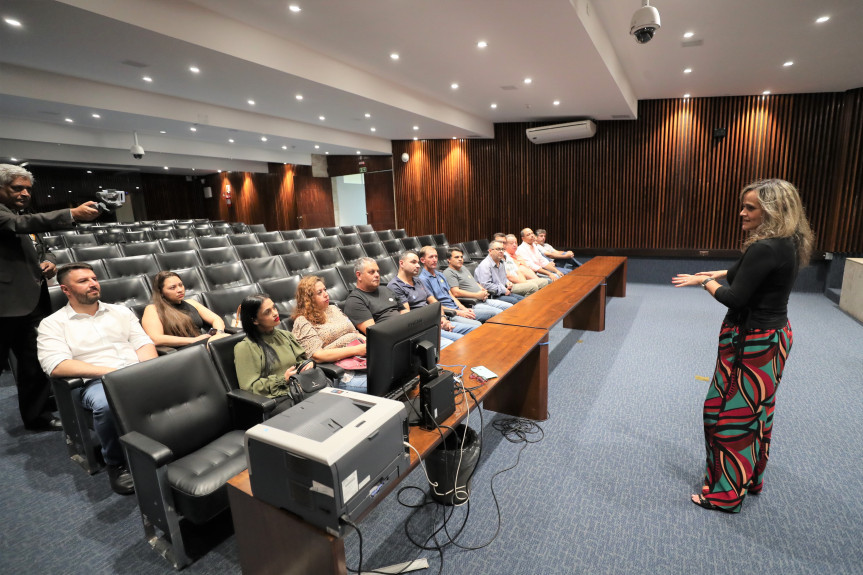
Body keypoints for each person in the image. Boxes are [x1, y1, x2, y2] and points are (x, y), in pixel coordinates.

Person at [672, 179, 814, 513]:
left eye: (750, 207)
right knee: (756, 414)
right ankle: (748, 479)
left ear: (773, 209)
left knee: (727, 417)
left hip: (752, 344)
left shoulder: (765, 247)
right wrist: (712, 272)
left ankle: (725, 495)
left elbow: (734, 295)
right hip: (772, 339)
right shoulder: (786, 241)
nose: (742, 212)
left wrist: (706, 282)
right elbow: (745, 272)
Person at [37, 263, 157, 495]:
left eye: (93, 278)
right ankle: (116, 463)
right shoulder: (52, 324)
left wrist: (148, 370)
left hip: (137, 370)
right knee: (105, 405)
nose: (93, 283)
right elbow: (56, 364)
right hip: (96, 381)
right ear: (66, 290)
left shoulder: (120, 311)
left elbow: (143, 343)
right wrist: (107, 372)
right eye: (83, 281)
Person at [0, 164, 100, 432]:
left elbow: (44, 248)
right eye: (17, 188)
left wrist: (49, 262)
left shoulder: (22, 215)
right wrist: (71, 213)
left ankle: (37, 416)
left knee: (33, 362)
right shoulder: (9, 217)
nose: (24, 193)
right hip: (5, 304)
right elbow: (17, 225)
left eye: (28, 189)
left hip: (31, 300)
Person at [343, 257, 453, 349]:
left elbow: (405, 314)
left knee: (450, 344)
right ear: (358, 275)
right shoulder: (355, 300)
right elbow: (375, 334)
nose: (377, 275)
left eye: (378, 271)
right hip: (394, 343)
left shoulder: (386, 290)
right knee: (447, 346)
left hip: (410, 334)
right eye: (371, 272)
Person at [233, 294, 314, 413]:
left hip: (299, 390)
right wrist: (283, 380)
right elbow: (249, 388)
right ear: (254, 320)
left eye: (274, 308)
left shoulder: (286, 336)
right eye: (267, 312)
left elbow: (300, 360)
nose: (275, 313)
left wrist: (306, 366)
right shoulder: (245, 348)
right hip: (277, 402)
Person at [292, 275, 367, 392]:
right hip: (339, 371)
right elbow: (317, 355)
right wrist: (357, 350)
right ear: (308, 299)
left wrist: (369, 343)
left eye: (325, 290)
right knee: (382, 381)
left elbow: (355, 333)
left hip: (361, 358)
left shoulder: (333, 309)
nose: (326, 294)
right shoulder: (303, 321)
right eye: (319, 292)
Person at [387, 250, 476, 342]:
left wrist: (443, 319)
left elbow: (435, 302)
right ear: (401, 263)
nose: (418, 265)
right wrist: (434, 323)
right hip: (423, 328)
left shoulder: (418, 281)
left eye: (418, 262)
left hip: (436, 321)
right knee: (461, 341)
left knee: (476, 329)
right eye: (413, 262)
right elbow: (407, 317)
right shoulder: (395, 286)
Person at [141, 271, 228, 348]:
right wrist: (193, 340)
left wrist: (219, 333)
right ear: (161, 292)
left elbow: (216, 319)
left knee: (228, 339)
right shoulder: (152, 309)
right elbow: (156, 338)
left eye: (180, 285)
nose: (179, 290)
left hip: (203, 343)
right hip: (184, 348)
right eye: (172, 287)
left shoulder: (191, 302)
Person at [417, 245, 502, 323]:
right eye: (431, 257)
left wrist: (464, 309)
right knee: (477, 324)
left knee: (495, 313)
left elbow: (451, 296)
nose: (435, 260)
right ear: (422, 260)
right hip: (449, 313)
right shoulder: (423, 280)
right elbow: (434, 305)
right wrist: (459, 312)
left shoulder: (440, 274)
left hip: (457, 308)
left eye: (436, 256)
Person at [442, 247, 520, 306]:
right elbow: (456, 293)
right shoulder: (448, 272)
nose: (460, 259)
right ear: (448, 259)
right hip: (473, 303)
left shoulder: (463, 267)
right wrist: (477, 295)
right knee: (506, 308)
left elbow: (474, 282)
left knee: (511, 305)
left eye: (461, 257)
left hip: (483, 298)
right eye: (457, 257)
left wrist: (483, 290)